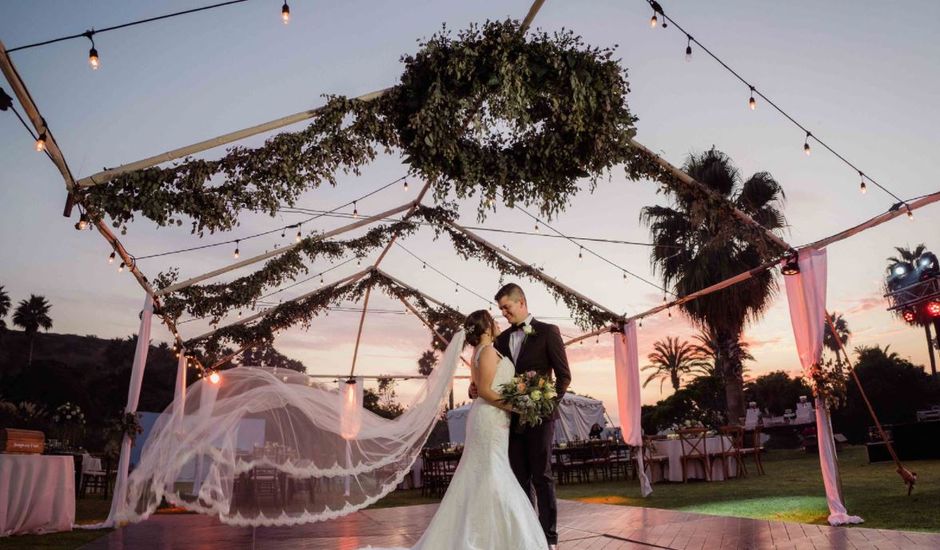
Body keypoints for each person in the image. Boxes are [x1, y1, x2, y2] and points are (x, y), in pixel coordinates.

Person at [398, 310, 548, 549]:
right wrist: (517, 407)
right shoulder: (487, 351)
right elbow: (487, 391)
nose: (498, 322)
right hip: (489, 417)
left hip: (491, 418)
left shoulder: (483, 351)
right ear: (487, 327)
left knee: (483, 473)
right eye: (493, 319)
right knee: (492, 471)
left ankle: (486, 534)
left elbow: (476, 387)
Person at [470, 283, 571, 549]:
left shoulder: (549, 332)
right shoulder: (500, 340)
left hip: (540, 418)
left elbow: (563, 377)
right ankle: (527, 536)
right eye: (501, 309)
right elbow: (492, 376)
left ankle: (548, 538)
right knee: (518, 479)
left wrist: (544, 407)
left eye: (507, 307)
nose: (504, 313)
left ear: (521, 302)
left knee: (542, 476)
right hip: (509, 420)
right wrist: (477, 385)